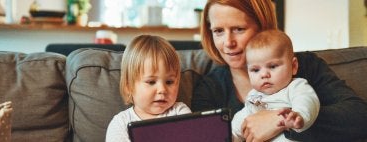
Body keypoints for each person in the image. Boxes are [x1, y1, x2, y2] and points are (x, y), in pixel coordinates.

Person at [191, 0, 367, 141]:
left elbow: (360, 117)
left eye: (239, 29)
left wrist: (281, 121)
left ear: (263, 27)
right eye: (218, 31)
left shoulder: (306, 66)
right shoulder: (209, 88)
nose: (228, 43)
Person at [231, 30, 320, 142]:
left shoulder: (295, 87)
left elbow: (307, 101)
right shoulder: (254, 95)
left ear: (293, 66)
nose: (264, 75)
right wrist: (232, 134)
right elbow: (243, 118)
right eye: (255, 70)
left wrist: (299, 116)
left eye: (272, 66)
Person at [105, 35, 191, 142]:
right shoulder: (121, 123)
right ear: (129, 87)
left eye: (169, 82)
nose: (162, 89)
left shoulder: (180, 112)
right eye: (151, 82)